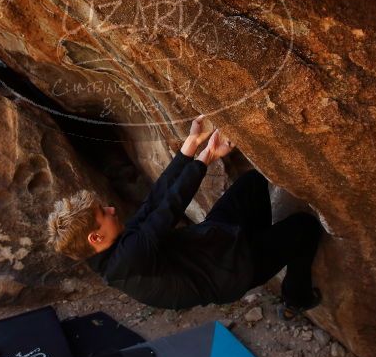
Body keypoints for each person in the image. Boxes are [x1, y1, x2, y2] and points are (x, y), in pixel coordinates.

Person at [47, 115, 323, 316]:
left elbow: (153, 203)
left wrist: (189, 147)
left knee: (251, 184)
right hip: (233, 270)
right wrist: (206, 157)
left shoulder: (116, 248)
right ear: (96, 237)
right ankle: (295, 298)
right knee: (306, 227)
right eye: (102, 214)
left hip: (212, 243)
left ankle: (264, 243)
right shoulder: (128, 260)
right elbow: (170, 208)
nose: (111, 210)